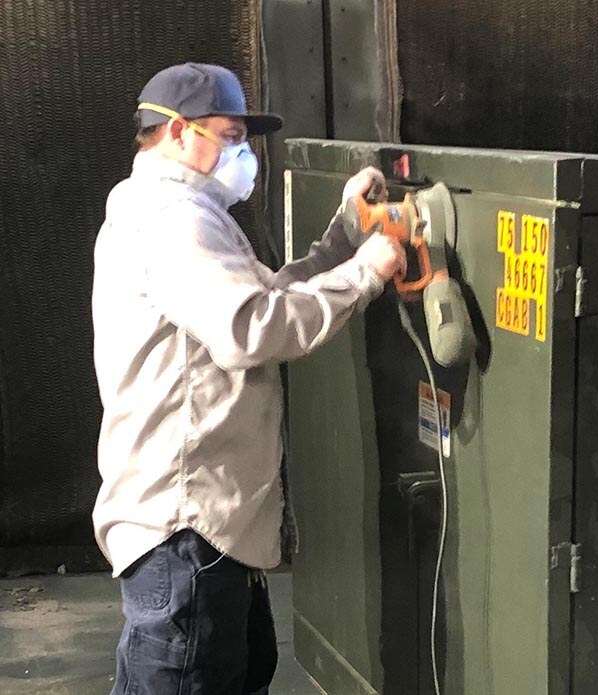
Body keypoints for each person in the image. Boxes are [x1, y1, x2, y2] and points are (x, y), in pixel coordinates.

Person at [91, 62, 404, 695]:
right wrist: (365, 275)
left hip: (205, 531)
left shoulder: (185, 212)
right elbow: (251, 328)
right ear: (176, 132)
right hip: (187, 529)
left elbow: (262, 295)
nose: (243, 153)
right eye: (230, 135)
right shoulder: (174, 219)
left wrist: (345, 236)